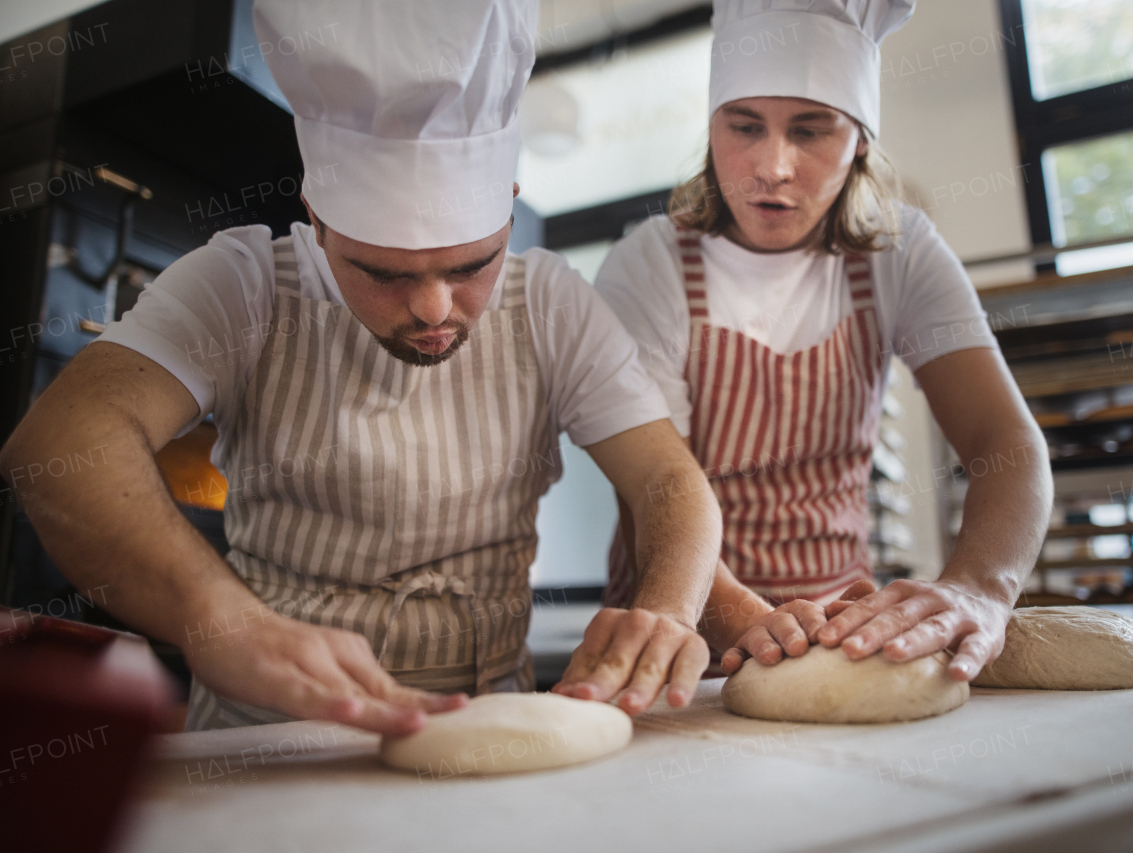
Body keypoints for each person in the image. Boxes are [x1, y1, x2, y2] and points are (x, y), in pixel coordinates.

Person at [0, 0, 720, 733]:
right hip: (265, 744)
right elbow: (57, 446)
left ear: (508, 205)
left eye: (473, 265)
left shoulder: (552, 304)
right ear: (317, 218)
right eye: (383, 274)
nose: (436, 308)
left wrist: (665, 611)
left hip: (491, 735)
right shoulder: (245, 284)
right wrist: (219, 620)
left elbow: (667, 479)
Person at [596, 0, 1051, 682]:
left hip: (842, 635)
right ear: (712, 123)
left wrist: (978, 586)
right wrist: (746, 623)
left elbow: (1004, 442)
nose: (773, 166)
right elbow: (658, 488)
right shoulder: (648, 264)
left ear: (861, 138)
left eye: (811, 132)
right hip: (680, 637)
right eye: (744, 126)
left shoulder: (900, 254)